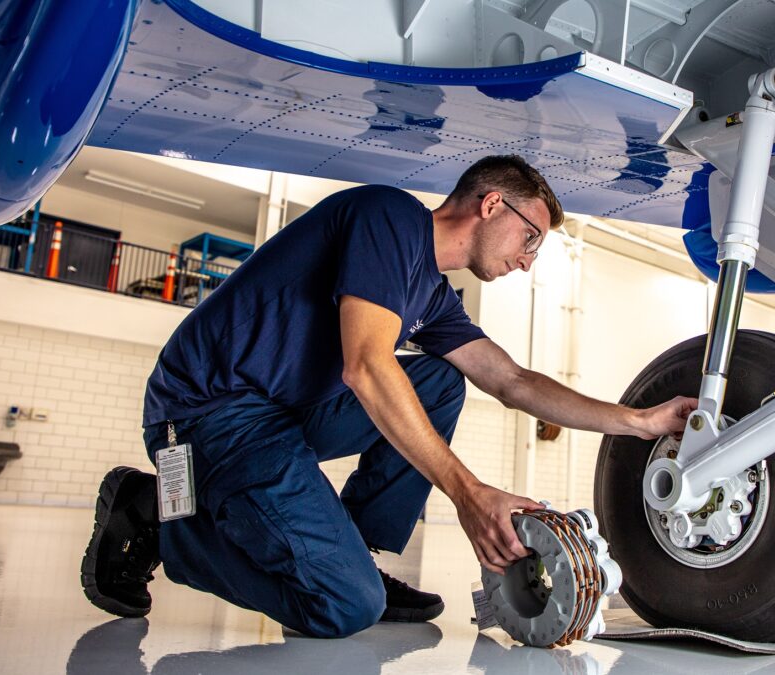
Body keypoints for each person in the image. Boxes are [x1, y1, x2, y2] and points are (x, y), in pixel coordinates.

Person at [79, 155, 697, 638]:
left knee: (438, 380)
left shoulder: (430, 294)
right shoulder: (388, 219)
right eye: (530, 238)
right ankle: (158, 518)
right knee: (347, 607)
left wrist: (638, 421)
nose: (528, 261)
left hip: (280, 414)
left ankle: (356, 545)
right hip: (205, 416)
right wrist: (470, 494)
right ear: (491, 205)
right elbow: (367, 367)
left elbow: (511, 381)